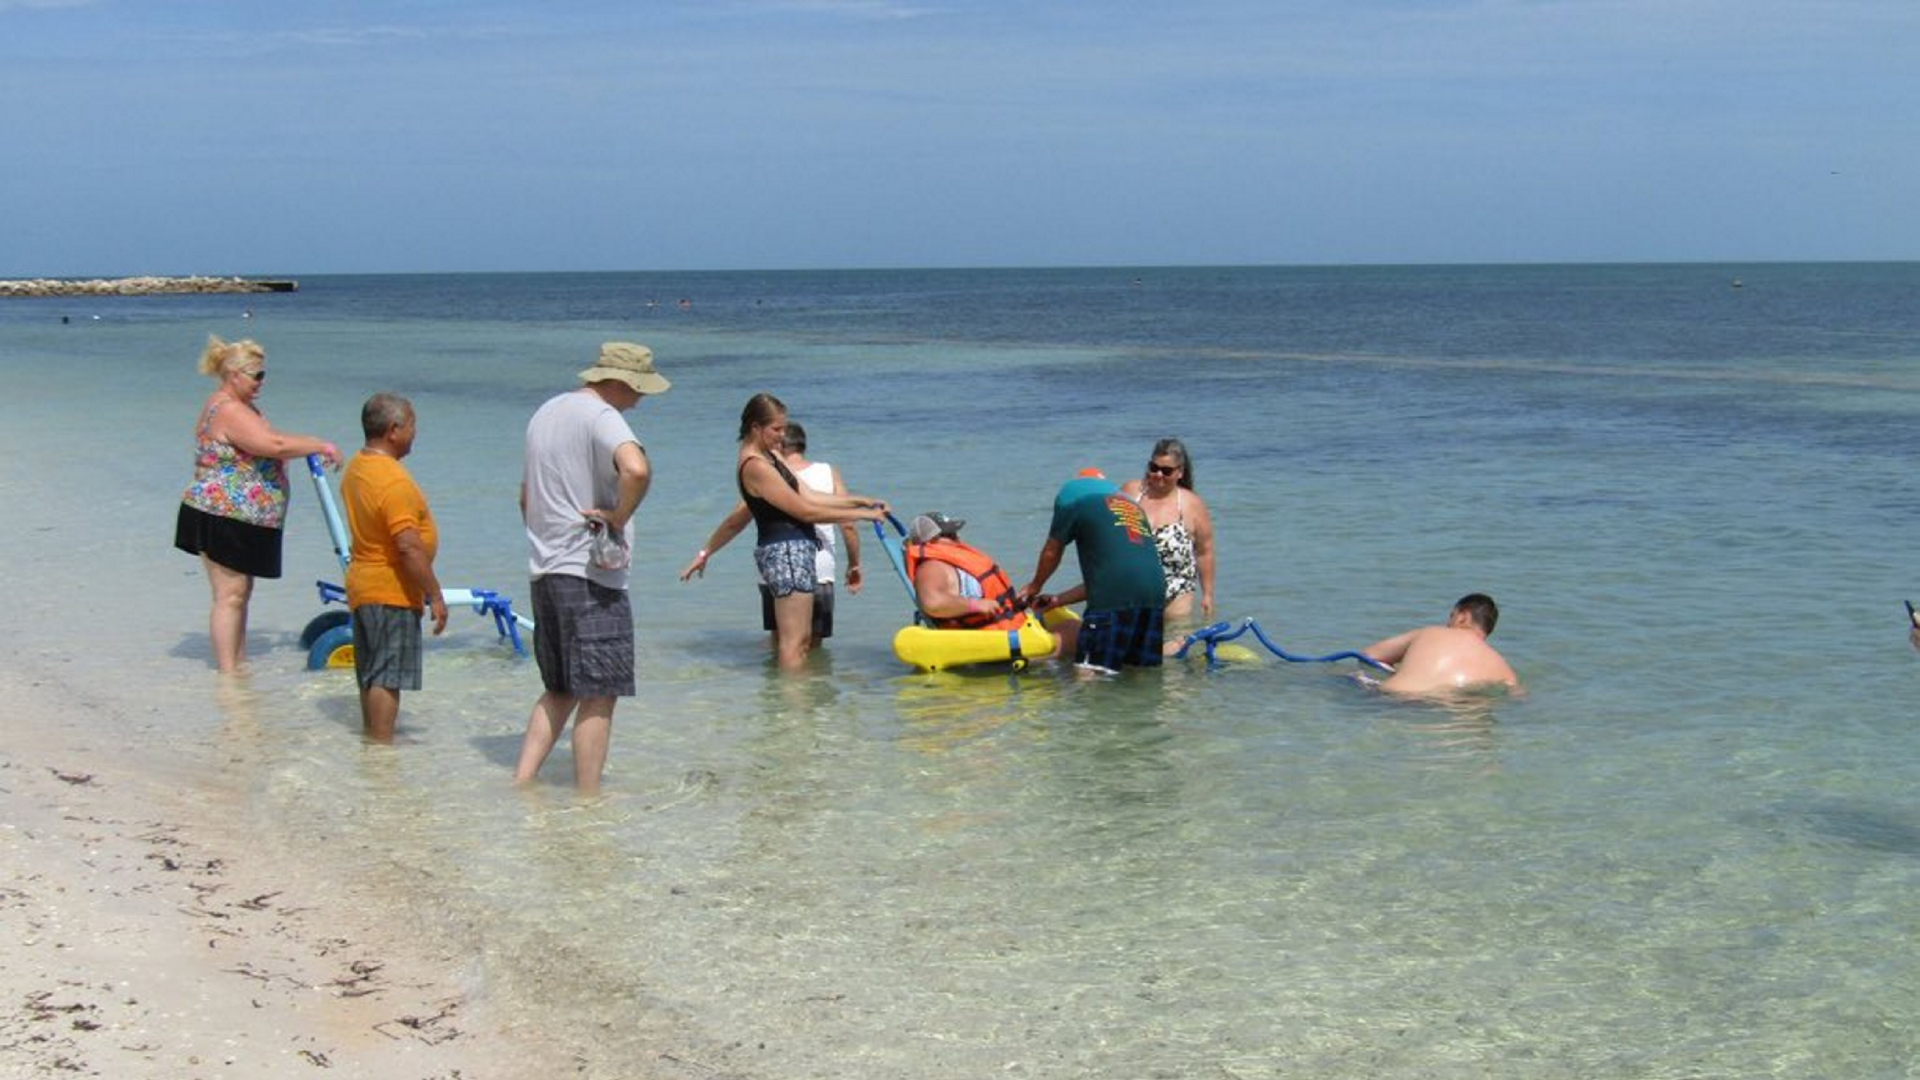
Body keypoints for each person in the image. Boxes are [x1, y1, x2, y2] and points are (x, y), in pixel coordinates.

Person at [513, 342, 667, 792]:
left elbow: (526, 495)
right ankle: (588, 799)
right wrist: (618, 518)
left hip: (545, 569)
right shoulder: (603, 416)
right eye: (639, 390)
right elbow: (636, 470)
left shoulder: (545, 412)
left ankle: (522, 782)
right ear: (619, 382)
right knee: (600, 692)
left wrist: (548, 537)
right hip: (590, 574)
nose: (641, 400)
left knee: (560, 688)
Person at [173, 335, 341, 674]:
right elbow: (272, 444)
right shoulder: (230, 409)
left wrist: (309, 446)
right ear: (234, 374)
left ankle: (237, 664)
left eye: (263, 375)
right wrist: (318, 445)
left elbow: (269, 440)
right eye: (257, 375)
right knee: (230, 594)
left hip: (238, 517)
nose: (261, 382)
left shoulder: (233, 405)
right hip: (221, 515)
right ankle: (228, 673)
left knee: (239, 592)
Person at [711, 393, 887, 671]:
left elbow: (810, 494)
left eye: (784, 428)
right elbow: (805, 511)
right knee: (793, 644)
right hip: (786, 553)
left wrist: (860, 501)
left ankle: (794, 704)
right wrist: (863, 515)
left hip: (795, 552)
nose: (782, 436)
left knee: (802, 640)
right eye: (776, 429)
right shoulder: (755, 465)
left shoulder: (770, 457)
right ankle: (793, 708)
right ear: (756, 428)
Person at [679, 421, 864, 650]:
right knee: (810, 648)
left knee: (781, 644)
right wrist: (854, 564)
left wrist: (705, 552)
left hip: (773, 569)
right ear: (803, 445)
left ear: (779, 447)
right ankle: (804, 685)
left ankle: (777, 685)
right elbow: (848, 525)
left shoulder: (768, 474)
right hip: (819, 569)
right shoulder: (827, 472)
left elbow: (735, 521)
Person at [339, 393, 448, 743]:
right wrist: (434, 594)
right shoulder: (393, 481)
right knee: (387, 676)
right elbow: (408, 545)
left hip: (362, 584)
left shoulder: (358, 467)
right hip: (390, 589)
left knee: (371, 674)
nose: (416, 433)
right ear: (394, 430)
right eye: (413, 425)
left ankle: (372, 741)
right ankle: (381, 748)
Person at [1019, 468, 1168, 671]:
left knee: (1090, 675)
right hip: (1155, 592)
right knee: (1139, 673)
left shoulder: (1071, 497)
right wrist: (1058, 600)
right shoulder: (1131, 507)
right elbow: (1115, 577)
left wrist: (1034, 585)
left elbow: (1052, 552)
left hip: (1114, 596)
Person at [1119, 437, 1217, 621]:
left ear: (1180, 472)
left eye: (1166, 471)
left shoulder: (1191, 504)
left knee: (1173, 642)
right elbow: (1108, 531)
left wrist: (1208, 596)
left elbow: (1205, 552)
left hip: (1176, 593)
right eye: (1154, 468)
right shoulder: (1131, 492)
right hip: (1132, 591)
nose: (1158, 475)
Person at [1360, 593, 1520, 695]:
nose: (1447, 623)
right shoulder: (1504, 669)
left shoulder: (1431, 633)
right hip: (1443, 713)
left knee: (1348, 678)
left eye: (1451, 616)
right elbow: (1519, 697)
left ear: (1462, 617)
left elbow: (1369, 655)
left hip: (1394, 701)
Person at [904, 512, 1026, 631]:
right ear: (932, 540)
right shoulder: (931, 567)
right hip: (984, 633)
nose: (958, 538)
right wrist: (977, 605)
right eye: (950, 535)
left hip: (1008, 624)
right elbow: (932, 603)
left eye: (955, 533)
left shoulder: (955, 562)